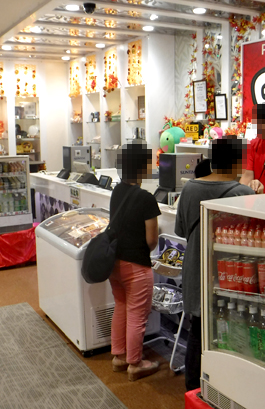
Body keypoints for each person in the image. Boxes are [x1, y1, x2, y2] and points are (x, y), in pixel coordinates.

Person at [175, 137, 255, 391]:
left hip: (195, 270)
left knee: (198, 332)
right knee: (233, 330)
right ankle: (227, 389)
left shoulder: (189, 188)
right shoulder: (243, 193)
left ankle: (193, 391)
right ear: (237, 162)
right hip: (230, 273)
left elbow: (180, 230)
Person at [109, 142, 161, 381]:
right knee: (137, 316)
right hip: (137, 265)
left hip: (115, 263)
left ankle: (119, 356)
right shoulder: (146, 198)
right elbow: (151, 240)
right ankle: (135, 363)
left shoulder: (117, 191)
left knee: (121, 307)